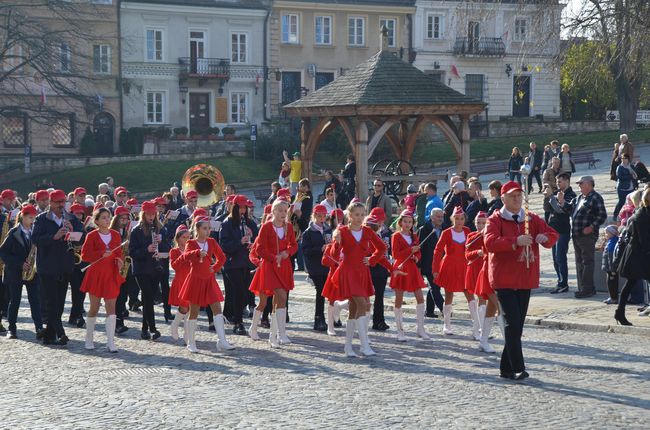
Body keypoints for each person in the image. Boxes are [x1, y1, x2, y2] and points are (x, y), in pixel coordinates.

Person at [484, 180, 558, 380]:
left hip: (525, 277)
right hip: (504, 278)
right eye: (512, 196)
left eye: (519, 196)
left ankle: (505, 368)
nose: (516, 199)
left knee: (518, 325)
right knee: (511, 323)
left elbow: (552, 234)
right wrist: (514, 242)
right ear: (503, 198)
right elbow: (489, 243)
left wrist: (545, 237)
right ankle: (518, 367)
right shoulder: (495, 219)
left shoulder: (531, 218)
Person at [324, 202, 386, 357]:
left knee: (354, 309)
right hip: (348, 272)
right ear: (349, 216)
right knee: (362, 304)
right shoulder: (342, 231)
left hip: (362, 272)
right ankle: (364, 346)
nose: (359, 218)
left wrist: (372, 260)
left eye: (362, 215)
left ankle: (348, 347)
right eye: (356, 215)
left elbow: (382, 248)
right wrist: (337, 242)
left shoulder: (367, 231)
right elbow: (333, 253)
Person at [32, 189, 84, 345]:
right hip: (47, 267)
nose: (61, 205)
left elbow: (82, 238)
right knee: (51, 302)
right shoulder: (41, 219)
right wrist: (54, 237)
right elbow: (35, 239)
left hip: (65, 265)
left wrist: (73, 231)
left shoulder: (71, 218)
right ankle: (60, 333)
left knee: (60, 302)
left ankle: (48, 334)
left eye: (63, 202)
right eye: (58, 202)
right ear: (51, 203)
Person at [179, 216, 234, 352]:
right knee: (194, 312)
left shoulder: (212, 241)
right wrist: (197, 252)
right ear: (197, 229)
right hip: (195, 279)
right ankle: (191, 343)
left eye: (209, 228)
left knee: (217, 309)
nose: (208, 231)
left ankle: (222, 340)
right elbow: (185, 256)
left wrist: (214, 268)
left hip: (209, 279)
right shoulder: (191, 243)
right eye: (205, 228)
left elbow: (222, 257)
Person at [248, 199, 298, 347]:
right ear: (274, 211)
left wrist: (287, 253)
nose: (283, 213)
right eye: (280, 210)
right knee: (264, 302)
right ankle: (258, 329)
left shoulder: (289, 227)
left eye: (285, 211)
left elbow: (294, 245)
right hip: (269, 266)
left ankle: (278, 334)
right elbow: (259, 249)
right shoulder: (266, 227)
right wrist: (272, 256)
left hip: (283, 266)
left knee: (281, 299)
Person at [80, 208, 124, 352]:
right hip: (96, 274)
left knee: (111, 307)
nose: (107, 219)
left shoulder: (116, 235)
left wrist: (119, 260)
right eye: (103, 217)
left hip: (111, 274)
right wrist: (100, 253)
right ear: (97, 220)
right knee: (94, 307)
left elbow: (119, 253)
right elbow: (85, 255)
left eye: (108, 217)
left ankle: (110, 342)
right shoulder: (92, 235)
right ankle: (89, 338)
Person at [557, 175, 608, 298]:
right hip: (576, 235)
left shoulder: (596, 197)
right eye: (579, 184)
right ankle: (584, 287)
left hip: (587, 236)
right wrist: (562, 202)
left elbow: (602, 216)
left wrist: (591, 227)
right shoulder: (579, 197)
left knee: (587, 262)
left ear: (589, 184)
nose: (579, 186)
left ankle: (587, 288)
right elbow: (569, 209)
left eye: (581, 183)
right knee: (580, 262)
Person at [432, 206, 479, 338]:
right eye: (456, 219)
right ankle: (446, 325)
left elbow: (473, 249)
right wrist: (435, 269)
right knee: (449, 295)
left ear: (465, 219)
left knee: (470, 295)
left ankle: (477, 326)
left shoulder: (468, 231)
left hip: (465, 266)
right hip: (450, 266)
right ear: (452, 219)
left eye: (461, 219)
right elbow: (438, 251)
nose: (459, 221)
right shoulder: (446, 233)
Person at [0, 204, 43, 339]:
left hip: (32, 272)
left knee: (35, 301)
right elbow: (3, 252)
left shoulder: (35, 232)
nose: (32, 220)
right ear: (23, 217)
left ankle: (39, 328)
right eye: (30, 217)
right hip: (15, 272)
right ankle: (12, 329)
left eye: (34, 218)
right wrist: (20, 264)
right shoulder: (13, 233)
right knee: (15, 300)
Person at [219, 194, 258, 336]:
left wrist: (253, 244)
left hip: (247, 263)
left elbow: (258, 239)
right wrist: (239, 242)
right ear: (235, 208)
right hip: (232, 263)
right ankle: (238, 322)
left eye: (245, 208)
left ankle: (237, 318)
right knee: (238, 292)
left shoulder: (249, 222)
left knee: (246, 294)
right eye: (240, 207)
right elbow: (224, 245)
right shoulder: (227, 223)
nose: (243, 211)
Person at [390, 210, 429, 341]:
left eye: (410, 222)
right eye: (405, 221)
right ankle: (400, 331)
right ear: (400, 222)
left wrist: (417, 257)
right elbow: (395, 254)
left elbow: (418, 252)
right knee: (399, 298)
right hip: (400, 267)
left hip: (412, 268)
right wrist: (410, 250)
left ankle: (420, 329)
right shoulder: (396, 236)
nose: (407, 224)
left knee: (420, 298)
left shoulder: (414, 236)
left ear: (413, 223)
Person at [615, 189, 650, 326]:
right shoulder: (641, 216)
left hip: (640, 254)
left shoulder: (643, 213)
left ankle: (619, 312)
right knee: (630, 284)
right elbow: (644, 240)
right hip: (637, 255)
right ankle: (620, 312)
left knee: (630, 284)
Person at [129, 201, 163, 340]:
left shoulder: (158, 227)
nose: (151, 216)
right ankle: (153, 328)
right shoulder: (136, 230)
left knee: (148, 299)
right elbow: (132, 252)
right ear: (143, 214)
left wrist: (162, 242)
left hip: (155, 268)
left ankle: (144, 329)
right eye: (148, 214)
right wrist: (146, 250)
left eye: (153, 214)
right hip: (141, 269)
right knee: (148, 297)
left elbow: (168, 245)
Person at [300, 204, 331, 332]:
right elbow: (305, 251)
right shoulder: (309, 232)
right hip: (316, 267)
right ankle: (319, 318)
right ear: (314, 216)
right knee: (320, 292)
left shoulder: (328, 229)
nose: (321, 218)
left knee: (325, 293)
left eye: (324, 216)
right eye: (319, 216)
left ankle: (328, 318)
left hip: (326, 265)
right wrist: (320, 249)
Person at [547, 173, 577, 294]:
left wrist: (553, 198)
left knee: (560, 257)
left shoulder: (571, 195)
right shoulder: (556, 193)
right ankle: (560, 282)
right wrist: (548, 197)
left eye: (560, 181)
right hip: (553, 230)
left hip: (563, 230)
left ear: (567, 181)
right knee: (555, 258)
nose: (558, 184)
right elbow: (548, 209)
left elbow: (562, 210)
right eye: (557, 181)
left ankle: (564, 283)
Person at [419, 207, 445, 318]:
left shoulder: (445, 229)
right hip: (428, 263)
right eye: (438, 216)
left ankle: (429, 311)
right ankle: (444, 309)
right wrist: (419, 266)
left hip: (440, 263)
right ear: (431, 217)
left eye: (442, 216)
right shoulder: (424, 229)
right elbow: (420, 248)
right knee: (434, 287)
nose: (440, 219)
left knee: (435, 287)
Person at [169, 225, 191, 342]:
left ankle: (187, 336)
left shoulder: (192, 250)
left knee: (190, 309)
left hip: (191, 281)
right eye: (184, 237)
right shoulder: (174, 251)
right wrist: (184, 256)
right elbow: (174, 266)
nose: (186, 240)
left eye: (188, 237)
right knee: (183, 308)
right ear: (178, 239)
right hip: (181, 281)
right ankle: (175, 325)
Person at [600, 225, 620, 305]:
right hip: (609, 268)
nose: (605, 235)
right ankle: (612, 296)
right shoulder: (610, 241)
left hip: (611, 270)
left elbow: (611, 258)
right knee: (610, 283)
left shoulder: (613, 243)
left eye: (607, 233)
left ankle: (613, 298)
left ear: (612, 233)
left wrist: (613, 270)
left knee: (612, 283)